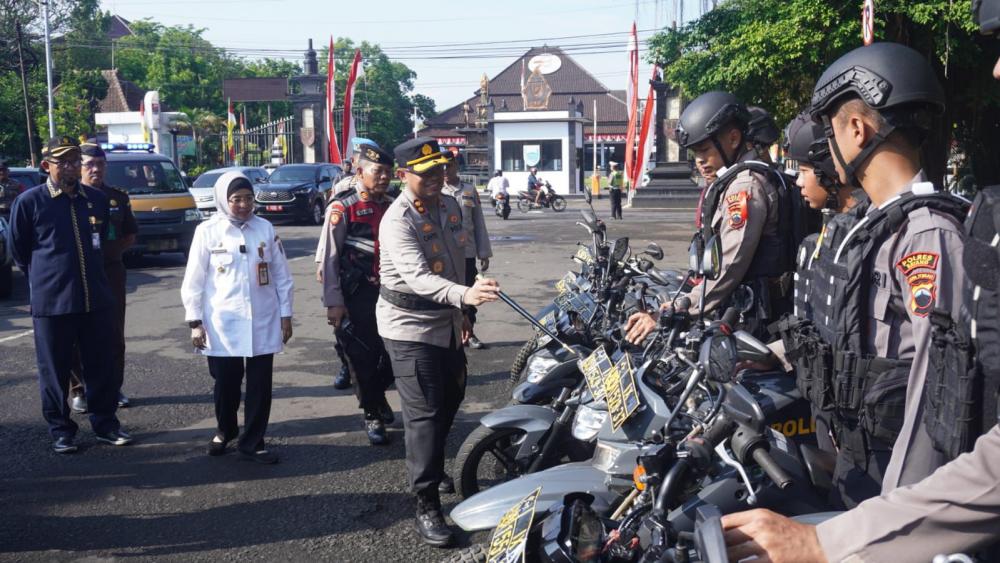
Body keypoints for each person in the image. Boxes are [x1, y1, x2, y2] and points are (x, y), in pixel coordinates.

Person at [722, 41, 978, 562]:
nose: (826, 147)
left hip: (898, 494)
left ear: (857, 130)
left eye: (830, 130)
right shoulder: (872, 228)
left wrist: (884, 526)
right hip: (857, 464)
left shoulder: (927, 236)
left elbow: (937, 402)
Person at [378, 137, 499, 546]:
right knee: (425, 413)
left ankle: (426, 461)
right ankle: (426, 501)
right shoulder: (397, 219)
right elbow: (418, 278)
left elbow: (454, 263)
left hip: (446, 319)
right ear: (402, 176)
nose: (434, 178)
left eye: (438, 170)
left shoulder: (449, 205)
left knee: (451, 396)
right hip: (408, 325)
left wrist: (463, 310)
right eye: (424, 173)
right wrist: (463, 296)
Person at [624, 91, 795, 343]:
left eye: (705, 150)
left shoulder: (743, 187)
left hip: (756, 323)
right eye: (695, 154)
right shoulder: (737, 179)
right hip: (746, 313)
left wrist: (680, 307)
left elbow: (729, 265)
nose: (700, 162)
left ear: (734, 138)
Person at [771, 112, 878, 508]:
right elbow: (812, 326)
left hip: (860, 423)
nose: (798, 180)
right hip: (823, 403)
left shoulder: (868, 236)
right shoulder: (825, 237)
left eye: (804, 169)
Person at [9, 136, 131, 453]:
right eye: (62, 162)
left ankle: (106, 424)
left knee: (101, 367)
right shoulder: (30, 202)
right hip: (53, 303)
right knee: (55, 371)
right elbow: (20, 252)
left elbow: (103, 241)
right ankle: (61, 430)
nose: (70, 167)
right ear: (46, 165)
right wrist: (46, 279)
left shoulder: (96, 199)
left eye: (75, 161)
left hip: (96, 299)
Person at [181, 172, 294, 464]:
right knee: (226, 383)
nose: (244, 205)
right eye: (236, 199)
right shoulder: (207, 232)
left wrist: (286, 315)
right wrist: (195, 322)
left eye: (248, 198)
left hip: (263, 319)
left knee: (260, 386)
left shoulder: (265, 229)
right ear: (223, 200)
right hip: (222, 322)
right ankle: (225, 429)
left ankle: (253, 442)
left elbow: (282, 275)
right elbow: (194, 280)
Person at [321, 143, 396, 445]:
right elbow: (329, 258)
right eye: (378, 171)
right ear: (361, 171)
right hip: (357, 294)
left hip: (392, 293)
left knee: (392, 356)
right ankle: (372, 414)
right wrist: (334, 302)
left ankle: (377, 396)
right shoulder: (343, 206)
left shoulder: (395, 203)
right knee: (362, 356)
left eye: (388, 173)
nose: (383, 178)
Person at [65, 142, 138, 414]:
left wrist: (107, 255)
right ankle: (79, 389)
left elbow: (130, 234)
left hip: (110, 273)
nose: (95, 169)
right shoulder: (70, 197)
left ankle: (112, 387)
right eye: (89, 165)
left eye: (100, 164)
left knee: (113, 335)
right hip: (77, 275)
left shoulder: (117, 198)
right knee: (76, 335)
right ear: (79, 167)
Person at [442, 152, 493, 349]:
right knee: (447, 295)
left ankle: (469, 332)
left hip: (467, 253)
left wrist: (484, 252)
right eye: (443, 166)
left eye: (450, 165)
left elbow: (478, 222)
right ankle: (450, 334)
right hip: (444, 254)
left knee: (470, 294)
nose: (446, 170)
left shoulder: (469, 190)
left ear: (457, 166)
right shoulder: (436, 191)